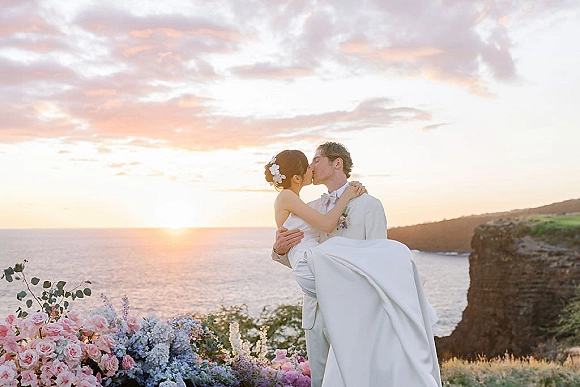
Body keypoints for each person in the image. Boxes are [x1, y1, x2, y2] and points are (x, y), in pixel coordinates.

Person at [268, 142, 441, 387]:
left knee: (356, 380)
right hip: (316, 311)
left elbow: (380, 261)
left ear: (336, 163)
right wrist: (278, 250)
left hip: (356, 313)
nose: (311, 166)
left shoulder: (369, 205)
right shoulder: (313, 207)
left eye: (316, 160)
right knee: (320, 381)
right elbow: (300, 246)